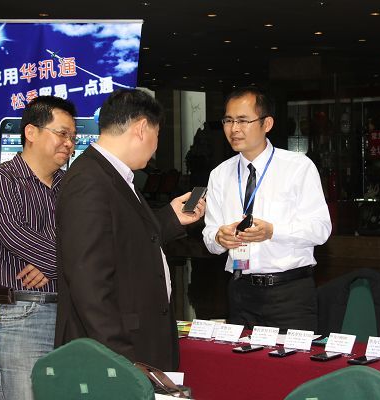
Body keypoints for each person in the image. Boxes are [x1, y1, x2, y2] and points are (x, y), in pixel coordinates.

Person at [54, 89, 205, 371]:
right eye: (157, 135)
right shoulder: (90, 181)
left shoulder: (114, 175)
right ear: (141, 128)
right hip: (118, 352)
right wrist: (123, 360)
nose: (156, 146)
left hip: (135, 343)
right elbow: (90, 284)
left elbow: (126, 241)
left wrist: (170, 218)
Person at [202, 86, 332, 332]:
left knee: (293, 358)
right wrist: (219, 237)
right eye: (228, 120)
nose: (234, 129)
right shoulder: (219, 174)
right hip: (240, 290)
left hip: (289, 293)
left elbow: (320, 229)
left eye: (243, 120)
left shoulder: (298, 167)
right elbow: (209, 237)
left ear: (267, 124)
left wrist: (273, 231)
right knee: (242, 357)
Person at [0, 96, 77, 400]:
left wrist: (52, 264)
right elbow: (16, 236)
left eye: (73, 137)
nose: (69, 143)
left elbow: (88, 239)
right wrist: (64, 262)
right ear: (31, 132)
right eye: (62, 134)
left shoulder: (71, 185)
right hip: (23, 313)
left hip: (72, 313)